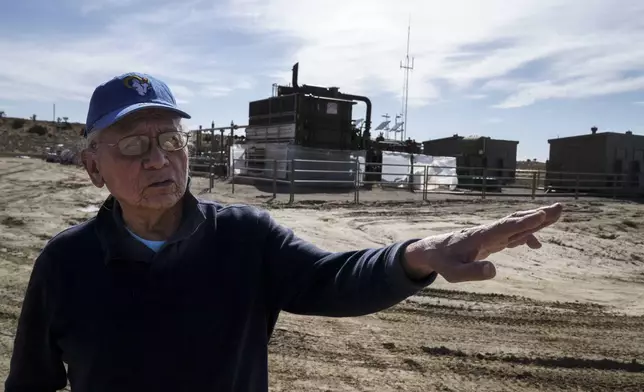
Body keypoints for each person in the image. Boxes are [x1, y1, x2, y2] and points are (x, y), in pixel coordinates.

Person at [4, 72, 562, 392]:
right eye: (132, 144)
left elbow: (332, 279)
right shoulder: (65, 262)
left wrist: (420, 254)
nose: (158, 160)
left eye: (171, 140)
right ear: (93, 167)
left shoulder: (246, 237)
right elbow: (31, 384)